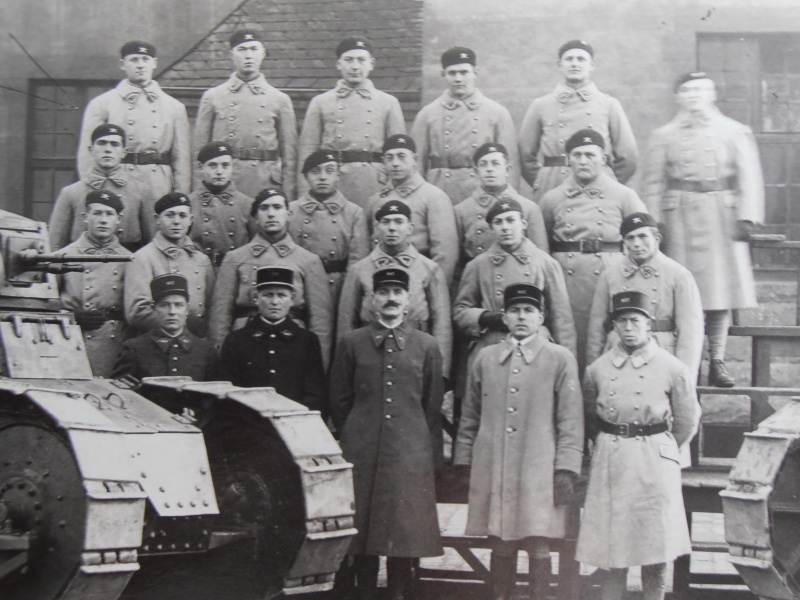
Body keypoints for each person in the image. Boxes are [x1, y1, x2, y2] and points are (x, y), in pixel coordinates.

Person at [454, 283, 583, 600]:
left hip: (538, 465)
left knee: (538, 541)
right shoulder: (486, 358)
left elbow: (571, 420)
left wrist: (565, 468)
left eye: (529, 311)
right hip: (494, 463)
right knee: (500, 539)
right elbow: (470, 414)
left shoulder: (559, 358)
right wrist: (463, 460)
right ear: (505, 317)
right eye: (514, 311)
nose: (521, 317)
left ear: (541, 318)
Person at [641, 71, 765, 387]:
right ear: (677, 97)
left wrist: (746, 218)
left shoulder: (734, 131)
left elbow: (749, 177)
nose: (694, 96)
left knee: (719, 293)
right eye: (687, 90)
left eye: (700, 90)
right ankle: (691, 361)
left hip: (721, 217)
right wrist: (656, 225)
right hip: (679, 215)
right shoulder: (663, 135)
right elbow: (653, 183)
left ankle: (718, 361)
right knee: (685, 292)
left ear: (712, 95)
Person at [577, 291, 700, 600]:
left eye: (635, 320)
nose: (628, 327)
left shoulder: (673, 368)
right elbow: (590, 417)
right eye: (622, 321)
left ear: (649, 325)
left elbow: (687, 420)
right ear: (614, 326)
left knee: (655, 545)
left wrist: (661, 448)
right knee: (613, 547)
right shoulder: (597, 369)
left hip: (653, 459)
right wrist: (607, 444)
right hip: (612, 457)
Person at [330, 267, 443, 600]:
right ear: (372, 300)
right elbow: (339, 399)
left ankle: (398, 594)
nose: (391, 298)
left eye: (397, 292)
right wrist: (356, 433)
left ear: (408, 300)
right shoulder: (351, 343)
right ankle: (364, 593)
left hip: (409, 452)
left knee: (402, 532)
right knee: (362, 534)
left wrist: (423, 448)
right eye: (383, 292)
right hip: (361, 451)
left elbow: (431, 404)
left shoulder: (426, 346)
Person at [540, 129, 647, 370]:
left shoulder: (624, 195)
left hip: (610, 279)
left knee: (605, 340)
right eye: (576, 155)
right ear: (568, 161)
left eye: (590, 154)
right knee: (569, 339)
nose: (583, 161)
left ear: (603, 158)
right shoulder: (552, 199)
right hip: (567, 284)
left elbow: (644, 242)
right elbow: (541, 249)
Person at [209, 188, 334, 368]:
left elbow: (320, 321)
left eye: (277, 207)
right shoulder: (235, 258)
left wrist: (319, 366)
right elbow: (220, 316)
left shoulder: (308, 260)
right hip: (245, 342)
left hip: (292, 343)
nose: (271, 214)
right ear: (255, 216)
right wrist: (220, 360)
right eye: (264, 208)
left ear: (289, 214)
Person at [337, 199, 452, 374]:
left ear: (410, 228)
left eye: (399, 222)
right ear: (377, 228)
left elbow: (441, 326)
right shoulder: (359, 270)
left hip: (416, 357)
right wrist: (346, 370)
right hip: (369, 356)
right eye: (386, 222)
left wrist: (440, 373)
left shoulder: (429, 269)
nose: (392, 228)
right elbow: (346, 324)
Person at [518, 40, 637, 202]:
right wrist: (543, 180)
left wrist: (608, 181)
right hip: (554, 184)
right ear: (560, 65)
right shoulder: (541, 105)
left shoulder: (609, 105)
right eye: (569, 59)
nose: (575, 64)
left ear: (592, 65)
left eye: (581, 59)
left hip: (598, 185)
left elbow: (628, 157)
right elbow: (525, 155)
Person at [586, 212, 704, 375]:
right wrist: (594, 370)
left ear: (657, 239)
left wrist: (685, 375)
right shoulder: (610, 275)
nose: (636, 244)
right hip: (618, 351)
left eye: (643, 237)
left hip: (661, 350)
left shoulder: (678, 275)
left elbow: (690, 331)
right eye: (630, 238)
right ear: (624, 243)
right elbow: (596, 328)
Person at [298, 36, 405, 209]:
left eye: (361, 60)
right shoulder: (321, 102)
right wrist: (305, 192)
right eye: (349, 60)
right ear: (339, 64)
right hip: (332, 181)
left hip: (374, 183)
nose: (355, 66)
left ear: (372, 64)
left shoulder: (388, 102)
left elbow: (399, 154)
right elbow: (307, 152)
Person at [77, 41, 191, 198]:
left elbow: (182, 160)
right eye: (134, 60)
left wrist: (180, 197)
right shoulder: (102, 104)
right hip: (117, 181)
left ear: (154, 63)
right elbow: (88, 154)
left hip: (158, 184)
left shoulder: (174, 107)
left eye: (145, 60)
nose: (140, 65)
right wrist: (94, 191)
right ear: (123, 64)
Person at [194, 29, 298, 199]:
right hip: (224, 181)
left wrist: (288, 195)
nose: (248, 55)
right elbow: (198, 154)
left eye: (253, 49)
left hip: (265, 182)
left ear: (263, 53)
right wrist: (200, 192)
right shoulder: (213, 97)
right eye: (242, 50)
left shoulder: (280, 100)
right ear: (231, 55)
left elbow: (290, 158)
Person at [410, 46, 520, 204]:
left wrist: (508, 201)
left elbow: (511, 165)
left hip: (482, 190)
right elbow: (416, 164)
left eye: (464, 72)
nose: (458, 79)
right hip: (439, 189)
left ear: (475, 73)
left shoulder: (497, 113)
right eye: (452, 73)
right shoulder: (427, 114)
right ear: (443, 75)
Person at [219, 266, 326, 413]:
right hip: (248, 425)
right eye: (268, 295)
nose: (275, 302)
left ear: (292, 299)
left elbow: (315, 394)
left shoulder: (307, 340)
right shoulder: (237, 340)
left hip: (294, 423)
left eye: (282, 295)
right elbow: (227, 391)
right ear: (256, 298)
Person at [56, 190, 132, 377]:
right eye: (97, 213)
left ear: (118, 219)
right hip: (72, 339)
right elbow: (46, 306)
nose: (103, 220)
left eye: (109, 214)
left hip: (114, 343)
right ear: (85, 217)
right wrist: (73, 317)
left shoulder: (130, 259)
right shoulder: (63, 257)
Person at [365, 134, 458, 286]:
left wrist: (433, 289)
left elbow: (445, 255)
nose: (395, 163)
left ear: (414, 159)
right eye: (389, 158)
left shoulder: (433, 197)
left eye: (402, 157)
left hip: (418, 282)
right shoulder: (375, 200)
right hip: (380, 283)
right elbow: (365, 252)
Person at [50, 124, 155, 251]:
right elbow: (55, 245)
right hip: (81, 265)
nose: (108, 149)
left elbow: (151, 244)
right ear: (91, 150)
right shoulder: (71, 193)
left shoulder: (142, 191)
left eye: (114, 144)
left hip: (126, 265)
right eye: (102, 143)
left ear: (124, 152)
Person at [124, 192, 214, 337]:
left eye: (182, 216)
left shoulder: (201, 259)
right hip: (157, 341)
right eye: (170, 215)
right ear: (157, 219)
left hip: (197, 341)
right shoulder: (143, 257)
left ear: (191, 220)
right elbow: (137, 312)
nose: (177, 221)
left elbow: (211, 307)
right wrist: (180, 326)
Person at [289, 150, 369, 305]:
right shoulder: (291, 211)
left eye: (330, 171)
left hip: (337, 288)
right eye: (315, 172)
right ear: (306, 177)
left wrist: (349, 295)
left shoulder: (354, 213)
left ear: (338, 176)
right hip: (300, 286)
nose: (323, 177)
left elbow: (357, 263)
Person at [455, 142, 548, 274]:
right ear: (476, 171)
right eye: (483, 164)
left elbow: (541, 259)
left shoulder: (530, 208)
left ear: (507, 170)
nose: (489, 169)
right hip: (480, 279)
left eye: (495, 163)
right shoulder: (462, 211)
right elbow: (458, 262)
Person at [113, 274, 219, 381]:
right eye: (164, 305)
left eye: (179, 305)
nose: (172, 312)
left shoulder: (206, 351)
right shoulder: (134, 349)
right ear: (154, 309)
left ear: (187, 309)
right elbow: (121, 392)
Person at [188, 141, 255, 267]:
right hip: (198, 270)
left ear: (232, 167)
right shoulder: (189, 204)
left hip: (235, 270)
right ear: (201, 167)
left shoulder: (247, 204)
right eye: (213, 166)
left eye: (225, 165)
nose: (219, 172)